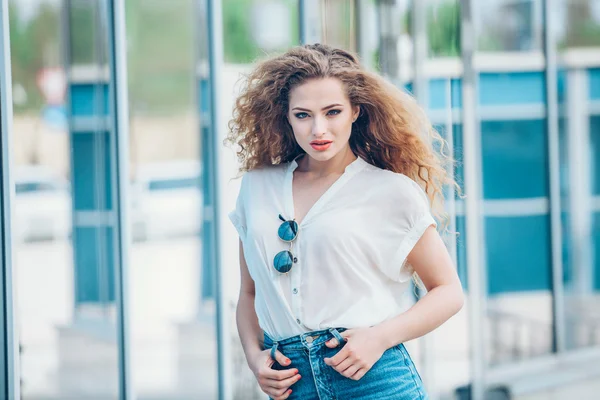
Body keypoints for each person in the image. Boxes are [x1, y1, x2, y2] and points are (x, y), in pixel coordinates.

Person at [225, 43, 464, 400]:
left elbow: (449, 292)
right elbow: (249, 292)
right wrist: (254, 356)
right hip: (290, 383)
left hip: (374, 378)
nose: (318, 129)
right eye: (303, 115)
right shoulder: (257, 187)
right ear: (286, 117)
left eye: (332, 112)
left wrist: (381, 336)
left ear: (355, 111)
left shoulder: (391, 191)